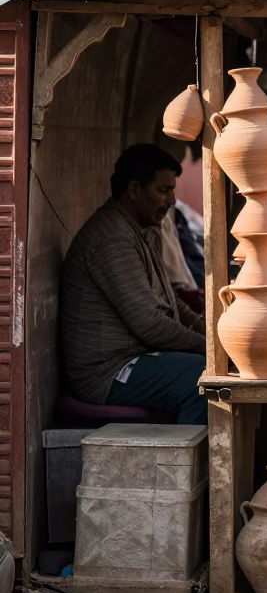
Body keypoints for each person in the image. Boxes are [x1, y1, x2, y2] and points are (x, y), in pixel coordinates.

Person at [60, 144, 207, 424]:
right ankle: (183, 468)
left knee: (207, 366)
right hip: (108, 372)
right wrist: (206, 348)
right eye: (164, 190)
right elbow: (149, 325)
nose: (173, 200)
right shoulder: (112, 240)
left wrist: (204, 329)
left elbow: (169, 299)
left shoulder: (141, 230)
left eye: (173, 190)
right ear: (135, 190)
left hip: (137, 356)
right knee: (201, 378)